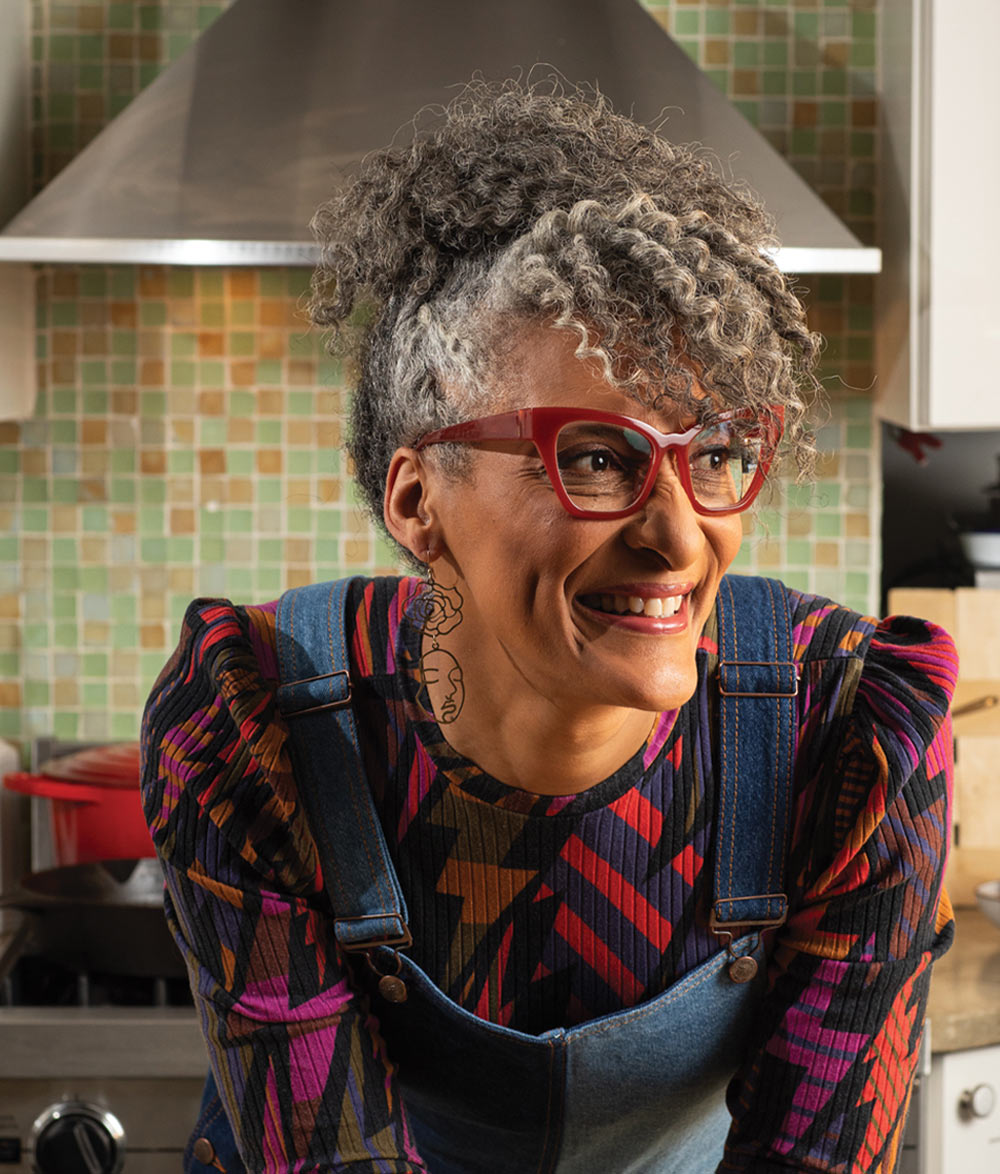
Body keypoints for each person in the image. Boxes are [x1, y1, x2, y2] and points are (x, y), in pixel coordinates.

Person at [141, 81, 956, 1174]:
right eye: (595, 457)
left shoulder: (846, 735)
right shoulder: (257, 727)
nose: (677, 538)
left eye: (713, 452)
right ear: (416, 498)